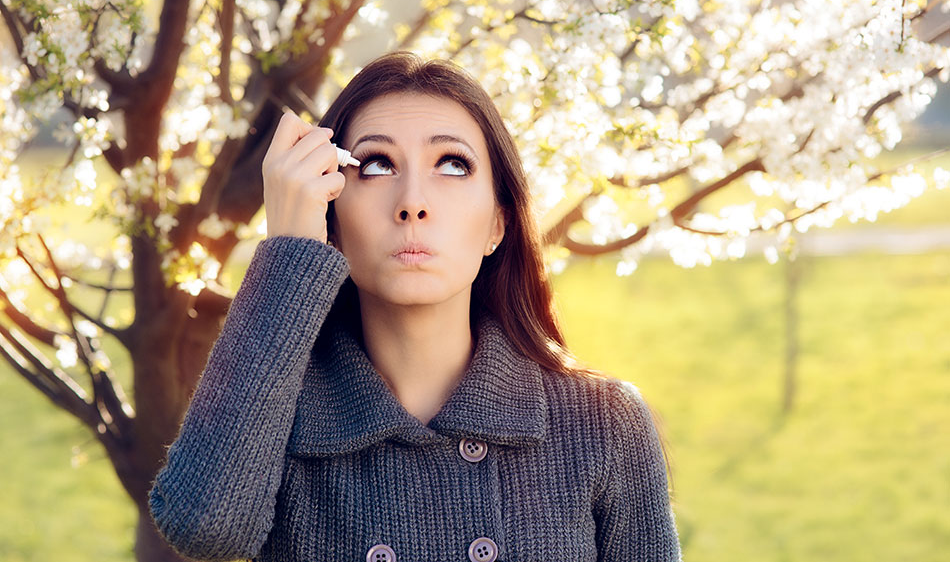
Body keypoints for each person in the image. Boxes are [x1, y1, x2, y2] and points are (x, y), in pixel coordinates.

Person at [148, 52, 682, 562]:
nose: (412, 203)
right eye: (377, 164)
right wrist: (289, 254)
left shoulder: (604, 423)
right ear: (330, 216)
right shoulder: (277, 416)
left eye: (452, 165)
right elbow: (204, 527)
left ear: (498, 223)